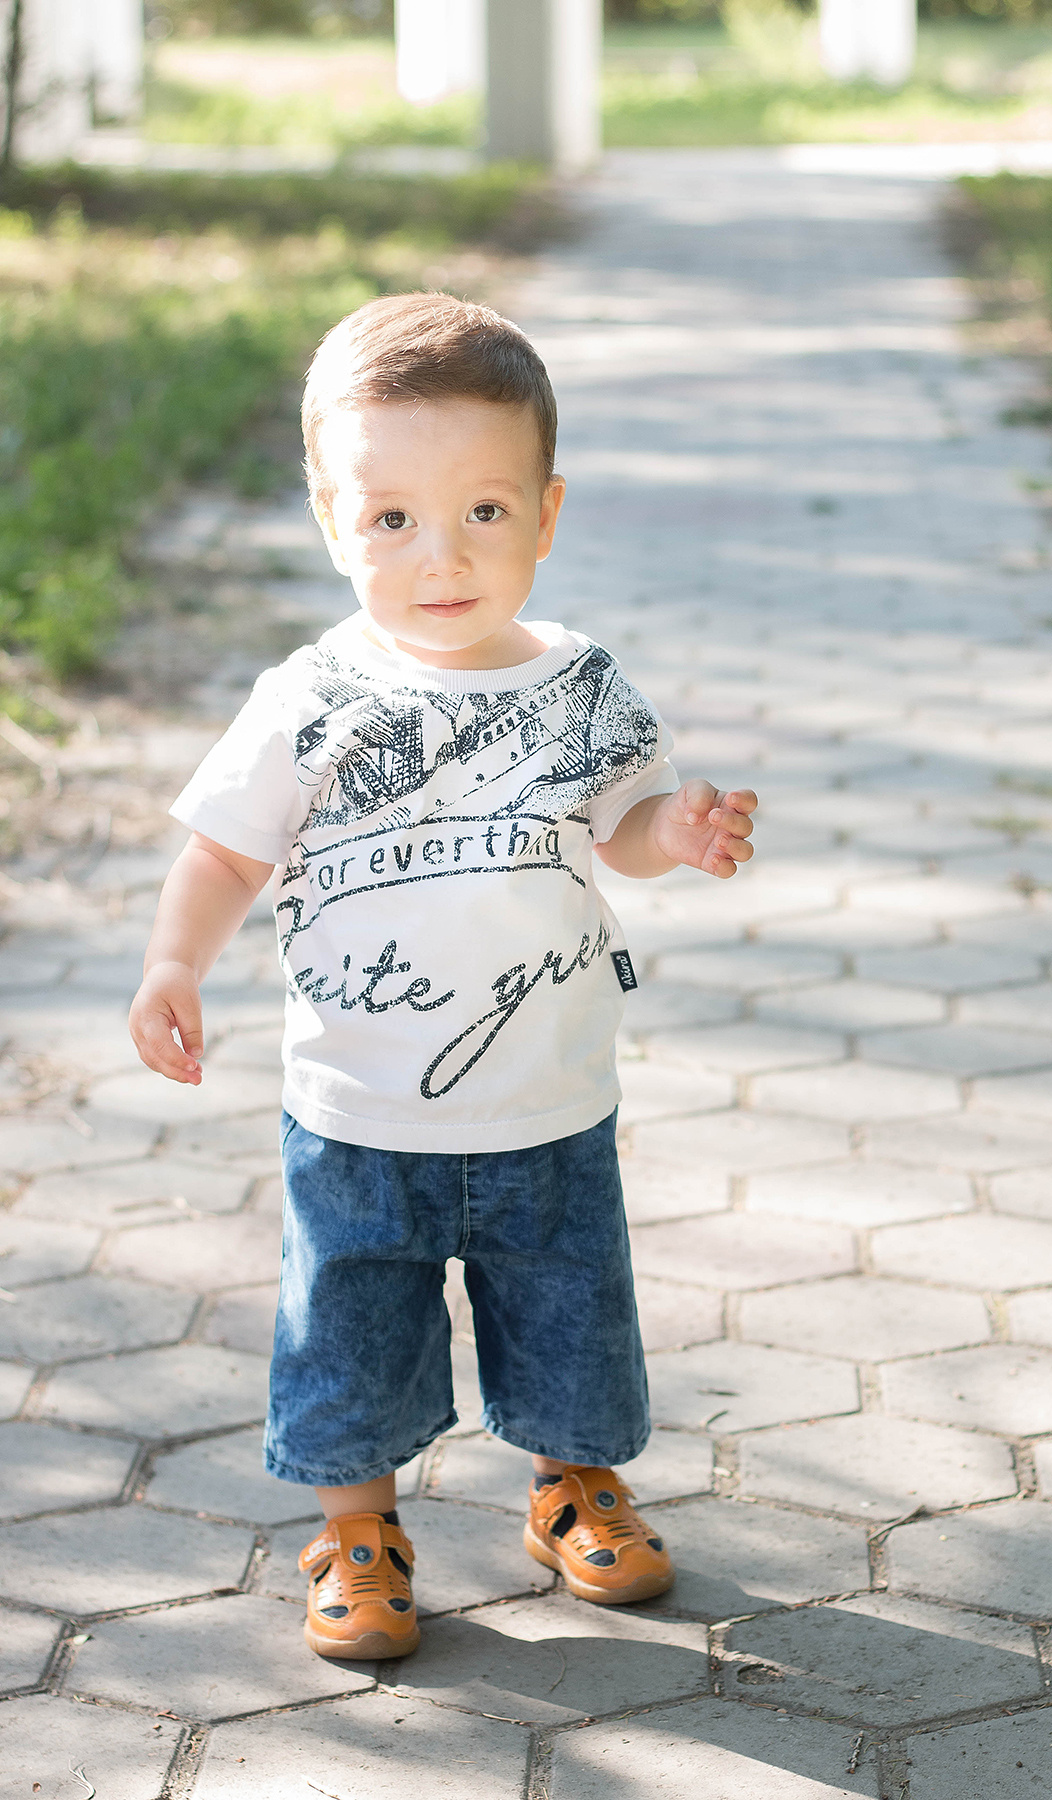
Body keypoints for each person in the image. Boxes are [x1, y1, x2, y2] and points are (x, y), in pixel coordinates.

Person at [128, 292, 758, 1662]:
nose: (441, 555)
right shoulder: (308, 698)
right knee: (352, 1333)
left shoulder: (583, 686)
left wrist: (679, 831)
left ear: (547, 508)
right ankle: (357, 1528)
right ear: (330, 516)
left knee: (570, 1316)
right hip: (357, 1114)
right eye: (392, 518)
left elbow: (626, 827)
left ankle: (571, 1485)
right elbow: (225, 854)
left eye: (484, 510)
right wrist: (175, 959)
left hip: (548, 1102)